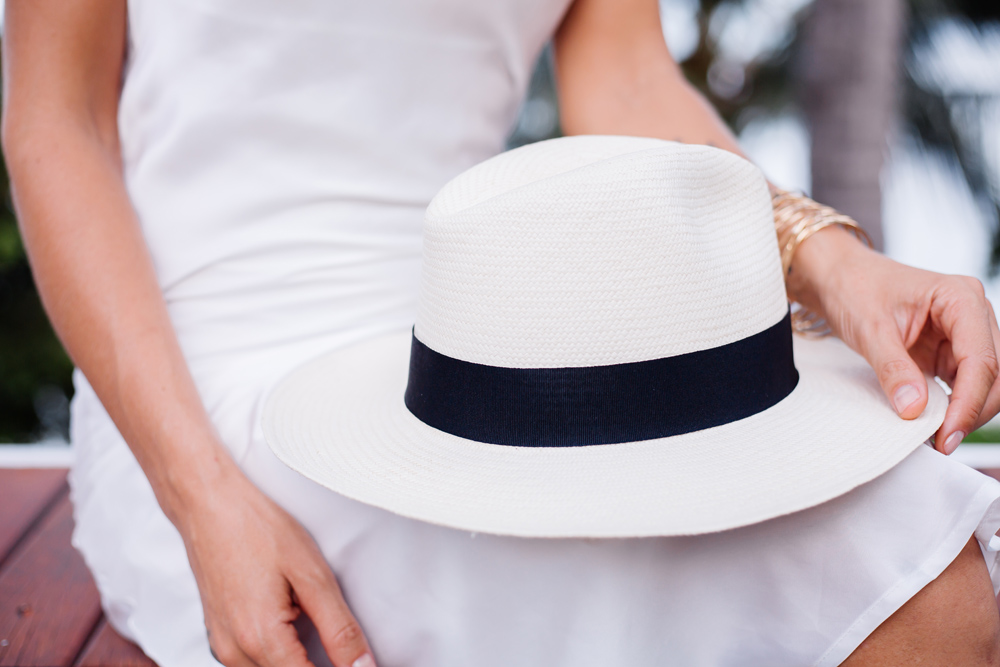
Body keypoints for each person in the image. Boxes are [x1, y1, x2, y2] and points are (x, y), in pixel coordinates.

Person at [4, 0, 1000, 665]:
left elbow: (623, 79)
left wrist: (834, 261)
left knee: (918, 543)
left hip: (476, 342)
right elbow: (56, 126)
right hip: (194, 376)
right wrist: (202, 496)